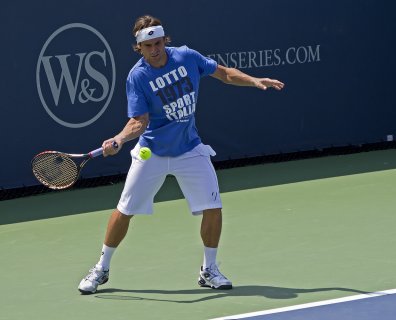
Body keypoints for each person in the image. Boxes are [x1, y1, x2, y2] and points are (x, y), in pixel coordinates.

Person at [78, 15, 284, 294]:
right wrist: (119, 138)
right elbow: (140, 120)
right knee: (124, 210)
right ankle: (101, 268)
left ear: (166, 40)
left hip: (189, 148)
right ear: (139, 48)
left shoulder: (187, 57)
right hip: (153, 153)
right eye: (148, 45)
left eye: (158, 42)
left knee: (213, 208)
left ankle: (209, 269)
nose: (154, 49)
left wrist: (253, 80)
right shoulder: (138, 77)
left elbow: (223, 73)